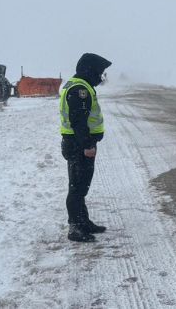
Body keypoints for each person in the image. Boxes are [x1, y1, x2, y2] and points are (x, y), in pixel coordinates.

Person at [59, 52, 112, 242]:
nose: (100, 77)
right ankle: (75, 227)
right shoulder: (79, 89)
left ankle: (83, 222)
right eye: (99, 72)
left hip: (77, 143)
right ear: (89, 71)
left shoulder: (79, 85)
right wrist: (88, 144)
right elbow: (78, 121)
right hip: (79, 144)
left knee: (80, 185)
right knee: (77, 187)